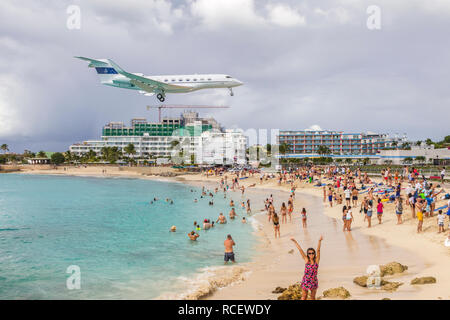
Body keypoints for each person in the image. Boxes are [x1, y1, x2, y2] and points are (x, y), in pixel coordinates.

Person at [290, 236, 323, 300]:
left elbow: (318, 250)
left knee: (313, 297)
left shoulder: (316, 261)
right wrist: (295, 241)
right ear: (307, 254)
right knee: (304, 296)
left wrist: (319, 241)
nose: (311, 254)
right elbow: (300, 250)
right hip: (306, 281)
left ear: (314, 254)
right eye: (309, 253)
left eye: (312, 253)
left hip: (314, 281)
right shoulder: (306, 260)